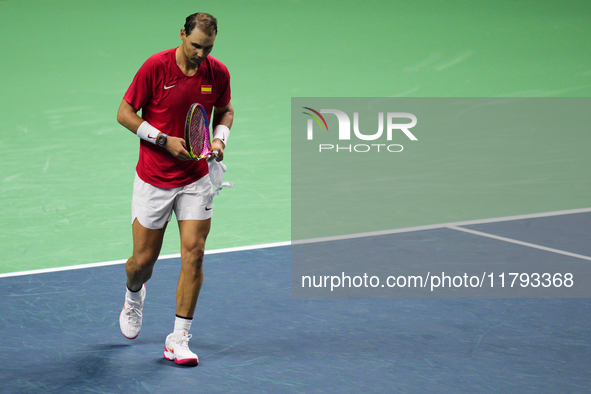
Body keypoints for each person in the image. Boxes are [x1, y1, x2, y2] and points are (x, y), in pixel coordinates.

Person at [116, 12, 233, 367]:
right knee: (142, 263)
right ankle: (134, 295)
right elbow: (124, 113)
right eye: (196, 45)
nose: (201, 53)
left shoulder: (218, 73)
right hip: (154, 178)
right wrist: (162, 140)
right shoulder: (155, 67)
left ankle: (178, 338)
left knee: (194, 253)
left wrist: (219, 138)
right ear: (182, 35)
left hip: (196, 178)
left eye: (208, 47)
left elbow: (225, 110)